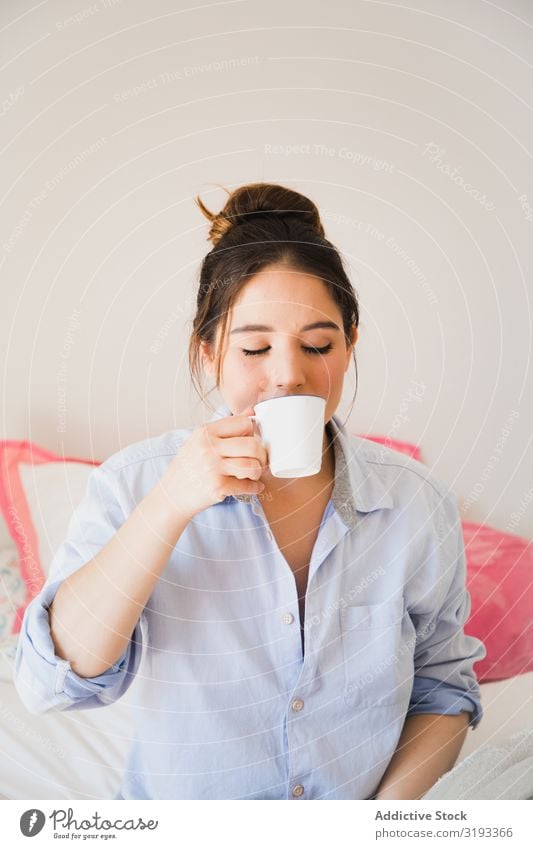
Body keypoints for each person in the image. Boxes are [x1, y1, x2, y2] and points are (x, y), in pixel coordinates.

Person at [14, 182, 486, 801]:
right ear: (208, 354)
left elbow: (442, 687)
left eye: (318, 344)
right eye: (255, 347)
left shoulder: (415, 503)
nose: (289, 373)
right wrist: (170, 503)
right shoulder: (135, 483)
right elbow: (58, 679)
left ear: (349, 347)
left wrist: (379, 830)